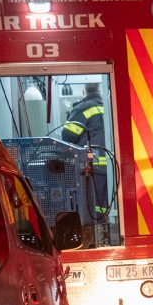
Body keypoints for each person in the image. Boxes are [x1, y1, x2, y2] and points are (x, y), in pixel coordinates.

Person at [61, 83, 108, 213]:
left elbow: (68, 134)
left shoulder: (83, 108)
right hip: (110, 166)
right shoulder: (109, 107)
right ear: (99, 91)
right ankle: (106, 226)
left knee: (92, 206)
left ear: (84, 92)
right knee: (106, 204)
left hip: (93, 166)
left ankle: (96, 229)